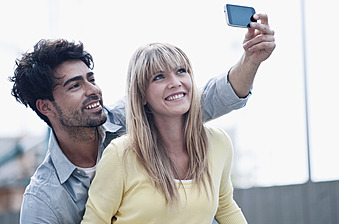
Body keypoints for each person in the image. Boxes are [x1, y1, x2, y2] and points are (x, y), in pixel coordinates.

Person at [9, 13, 275, 223]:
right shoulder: (43, 199)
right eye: (75, 86)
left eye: (91, 79)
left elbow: (207, 98)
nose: (93, 91)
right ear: (46, 107)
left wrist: (251, 60)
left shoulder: (135, 115)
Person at [82, 42, 249, 223]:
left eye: (181, 71)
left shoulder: (218, 143)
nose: (175, 83)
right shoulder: (120, 154)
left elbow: (225, 206)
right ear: (142, 95)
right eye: (159, 77)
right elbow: (94, 220)